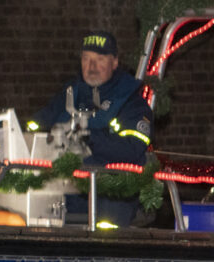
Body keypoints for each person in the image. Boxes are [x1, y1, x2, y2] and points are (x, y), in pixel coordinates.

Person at [26, 31, 153, 227]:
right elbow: (38, 124)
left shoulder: (130, 101)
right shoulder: (69, 93)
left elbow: (132, 148)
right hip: (64, 193)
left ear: (115, 62)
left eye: (100, 59)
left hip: (110, 197)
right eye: (86, 59)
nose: (92, 67)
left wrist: (89, 138)